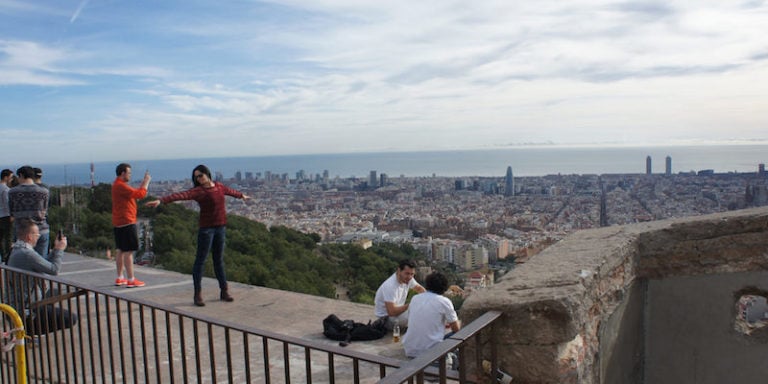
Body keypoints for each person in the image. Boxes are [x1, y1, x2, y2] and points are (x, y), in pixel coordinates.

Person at [145, 164, 249, 307]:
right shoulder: (198, 191)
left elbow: (229, 191)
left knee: (218, 260)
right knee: (200, 261)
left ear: (207, 173)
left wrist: (241, 195)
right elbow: (181, 195)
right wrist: (161, 200)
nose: (199, 178)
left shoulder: (219, 186)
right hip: (206, 229)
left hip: (220, 227)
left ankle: (224, 291)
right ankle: (197, 294)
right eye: (196, 177)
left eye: (200, 175)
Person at [7, 218, 78, 335]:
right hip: (26, 310)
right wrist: (60, 250)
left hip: (20, 302)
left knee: (56, 291)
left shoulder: (17, 249)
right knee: (71, 318)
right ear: (30, 236)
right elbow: (54, 269)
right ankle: (29, 330)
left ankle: (36, 321)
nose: (38, 237)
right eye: (37, 234)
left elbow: (44, 264)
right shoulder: (27, 253)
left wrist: (55, 249)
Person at [402, 271, 461, 359]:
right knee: (461, 333)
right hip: (431, 352)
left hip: (410, 349)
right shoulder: (444, 302)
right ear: (444, 288)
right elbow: (456, 329)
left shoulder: (415, 298)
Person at [112, 163, 151, 288]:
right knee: (128, 251)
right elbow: (140, 194)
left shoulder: (116, 185)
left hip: (118, 222)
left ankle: (120, 277)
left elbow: (134, 193)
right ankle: (131, 279)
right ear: (123, 173)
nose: (130, 175)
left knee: (120, 250)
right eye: (129, 173)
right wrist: (146, 182)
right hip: (127, 221)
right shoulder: (121, 186)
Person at [9, 166, 50, 258]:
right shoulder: (44, 192)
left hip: (21, 231)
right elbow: (45, 211)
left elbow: (11, 212)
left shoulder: (12, 192)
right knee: (41, 262)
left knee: (22, 262)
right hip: (41, 229)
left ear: (21, 175)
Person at [374, 260, 425, 330]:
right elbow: (391, 312)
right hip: (387, 319)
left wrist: (427, 298)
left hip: (398, 315)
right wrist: (411, 304)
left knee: (422, 307)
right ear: (399, 271)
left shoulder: (408, 279)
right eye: (407, 273)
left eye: (412, 274)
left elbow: (419, 289)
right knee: (415, 311)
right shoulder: (390, 286)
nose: (409, 277)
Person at [0, 169, 13, 263]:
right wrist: (11, 215)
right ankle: (7, 256)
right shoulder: (5, 189)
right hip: (5, 215)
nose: (11, 179)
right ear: (6, 177)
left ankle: (2, 254)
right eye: (10, 177)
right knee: (7, 236)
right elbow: (7, 203)